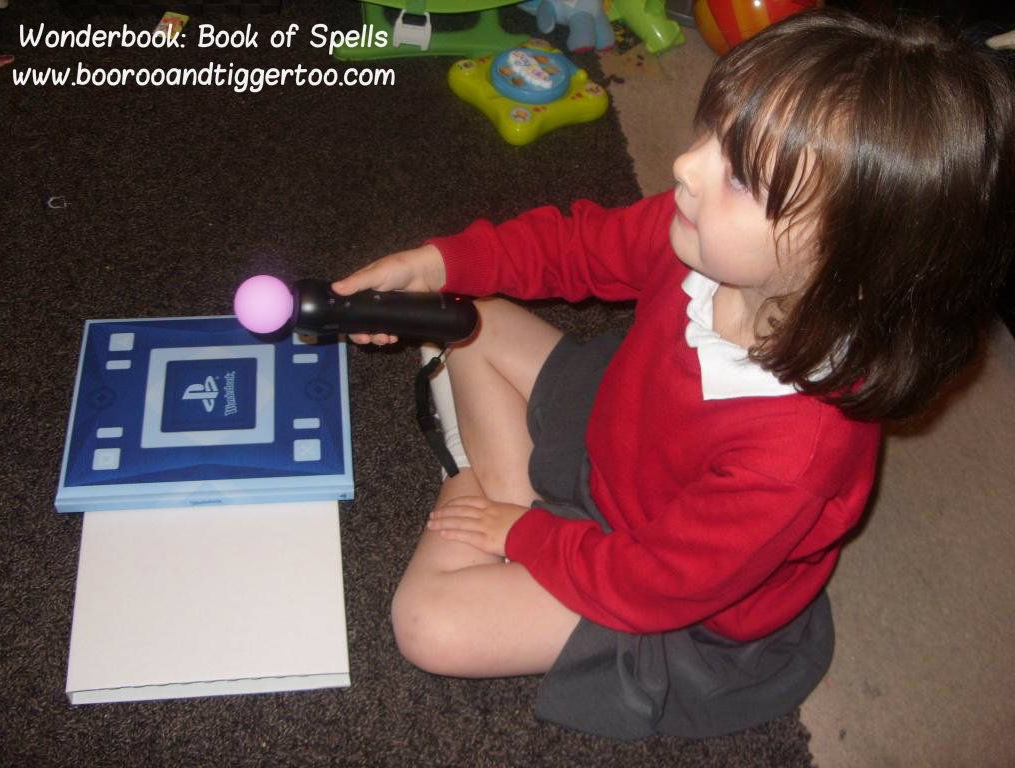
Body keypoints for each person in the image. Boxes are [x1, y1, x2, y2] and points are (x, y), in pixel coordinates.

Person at [332, 8, 1015, 739]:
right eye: (712, 134)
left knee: (428, 626)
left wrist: (522, 536)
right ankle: (512, 491)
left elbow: (651, 583)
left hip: (666, 583)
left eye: (742, 177)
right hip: (624, 438)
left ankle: (487, 485)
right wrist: (435, 266)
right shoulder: (705, 238)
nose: (687, 168)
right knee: (465, 312)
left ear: (852, 260)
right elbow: (578, 246)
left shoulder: (795, 455)